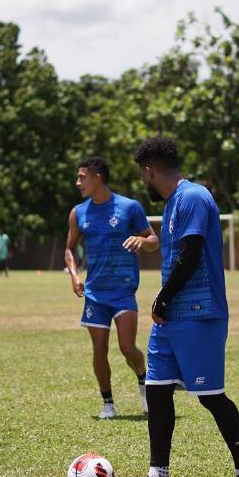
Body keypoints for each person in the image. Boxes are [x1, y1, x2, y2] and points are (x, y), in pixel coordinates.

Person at [114, 137, 239, 477]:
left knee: (211, 396)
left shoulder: (193, 197)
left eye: (142, 174)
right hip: (172, 316)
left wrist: (163, 296)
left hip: (199, 313)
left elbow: (191, 254)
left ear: (149, 171)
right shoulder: (174, 202)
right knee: (158, 391)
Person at [64, 156, 157, 419]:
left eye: (82, 177)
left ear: (97, 177)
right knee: (99, 348)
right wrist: (73, 274)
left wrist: (143, 242)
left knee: (128, 347)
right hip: (94, 293)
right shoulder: (78, 212)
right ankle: (108, 404)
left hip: (123, 290)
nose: (77, 182)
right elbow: (69, 248)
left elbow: (153, 239)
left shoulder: (129, 207)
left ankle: (143, 380)